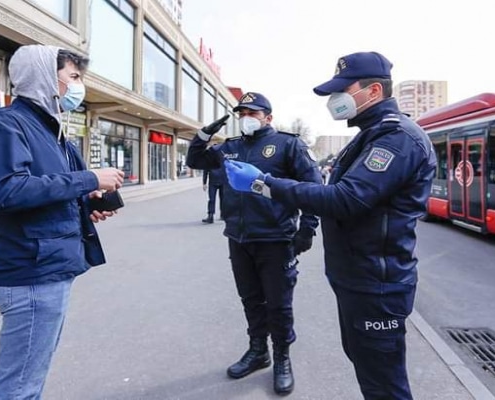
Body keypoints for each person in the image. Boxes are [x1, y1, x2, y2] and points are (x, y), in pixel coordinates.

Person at [224, 52, 437, 400]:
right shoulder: (371, 134)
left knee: (384, 385)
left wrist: (264, 183)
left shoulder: (397, 138)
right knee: (369, 371)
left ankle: (280, 358)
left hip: (376, 284)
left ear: (372, 92)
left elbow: (344, 199)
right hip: (358, 279)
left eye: (342, 89)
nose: (335, 100)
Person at [0, 45, 125, 399]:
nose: (78, 86)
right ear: (44, 76)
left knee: (30, 378)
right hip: (29, 271)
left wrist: (87, 204)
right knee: (18, 386)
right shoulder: (4, 124)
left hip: (50, 266)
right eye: (73, 77)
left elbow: (49, 191)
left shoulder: (52, 130)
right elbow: (7, 193)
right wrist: (89, 180)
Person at [186, 92, 322, 395]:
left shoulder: (289, 145)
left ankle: (282, 358)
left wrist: (308, 228)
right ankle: (258, 350)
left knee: (278, 304)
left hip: (276, 239)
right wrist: (203, 134)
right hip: (239, 237)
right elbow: (195, 160)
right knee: (250, 299)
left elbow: (313, 187)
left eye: (253, 112)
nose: (246, 117)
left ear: (268, 117)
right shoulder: (230, 147)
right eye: (242, 112)